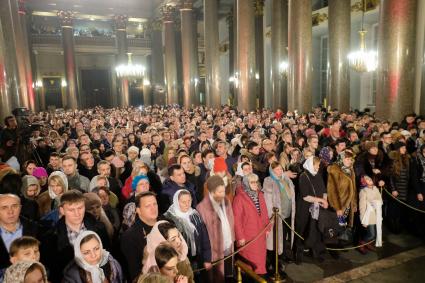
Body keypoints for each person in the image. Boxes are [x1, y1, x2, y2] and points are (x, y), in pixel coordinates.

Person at [42, 190, 110, 282]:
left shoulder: (100, 228)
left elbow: (108, 256)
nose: (77, 214)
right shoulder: (51, 238)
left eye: (80, 208)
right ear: (62, 210)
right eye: (71, 210)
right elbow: (53, 271)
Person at [197, 175, 234, 283]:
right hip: (215, 250)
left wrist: (232, 239)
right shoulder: (202, 208)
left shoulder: (226, 200)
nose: (223, 194)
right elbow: (203, 235)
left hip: (228, 245)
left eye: (223, 191)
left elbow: (231, 220)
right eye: (220, 192)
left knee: (229, 274)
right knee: (218, 277)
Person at [163, 190, 211, 273]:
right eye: (183, 202)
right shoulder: (169, 218)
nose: (187, 204)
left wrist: (207, 259)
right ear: (177, 202)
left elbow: (204, 238)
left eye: (189, 201)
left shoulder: (194, 214)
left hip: (198, 259)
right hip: (181, 262)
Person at [232, 173, 270, 276]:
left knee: (260, 259)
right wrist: (240, 237)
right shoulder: (239, 198)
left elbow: (265, 213)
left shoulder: (260, 195)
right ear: (246, 184)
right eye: (252, 182)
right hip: (248, 236)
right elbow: (237, 219)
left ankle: (259, 277)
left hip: (260, 233)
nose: (255, 184)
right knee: (249, 262)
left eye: (256, 182)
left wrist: (267, 229)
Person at [263, 161, 295, 268]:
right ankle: (273, 261)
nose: (279, 171)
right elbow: (268, 201)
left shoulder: (286, 179)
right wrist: (272, 216)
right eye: (276, 169)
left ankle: (282, 256)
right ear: (272, 171)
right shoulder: (269, 181)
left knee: (284, 236)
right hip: (277, 215)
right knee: (275, 239)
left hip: (287, 213)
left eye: (280, 169)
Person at [296, 157, 329, 263]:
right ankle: (298, 253)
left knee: (316, 230)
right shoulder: (303, 176)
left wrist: (325, 200)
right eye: (316, 165)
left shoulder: (318, 175)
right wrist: (321, 200)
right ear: (311, 164)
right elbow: (305, 196)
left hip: (318, 207)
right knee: (303, 230)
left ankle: (316, 252)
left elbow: (324, 190)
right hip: (305, 209)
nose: (318, 167)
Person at [120, 191, 158, 281]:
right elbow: (135, 274)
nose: (153, 209)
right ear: (138, 210)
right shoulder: (130, 236)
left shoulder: (165, 224)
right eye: (148, 206)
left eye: (155, 204)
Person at [0, 194, 38, 271]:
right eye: (4, 208)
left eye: (14, 206)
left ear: (20, 208)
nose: (10, 211)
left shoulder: (37, 230)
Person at [327, 150, 357, 228]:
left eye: (350, 159)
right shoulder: (334, 170)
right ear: (341, 159)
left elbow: (354, 188)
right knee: (336, 228)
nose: (349, 161)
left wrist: (354, 203)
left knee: (345, 229)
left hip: (348, 205)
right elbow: (332, 191)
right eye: (347, 159)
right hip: (339, 205)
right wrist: (338, 208)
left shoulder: (350, 170)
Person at [358, 175, 383, 254]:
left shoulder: (375, 188)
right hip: (369, 216)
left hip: (377, 214)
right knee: (372, 234)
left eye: (369, 178)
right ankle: (362, 243)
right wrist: (363, 220)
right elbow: (362, 206)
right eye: (367, 179)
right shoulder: (363, 191)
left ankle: (367, 243)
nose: (369, 179)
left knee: (375, 233)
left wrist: (376, 203)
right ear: (364, 182)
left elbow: (380, 199)